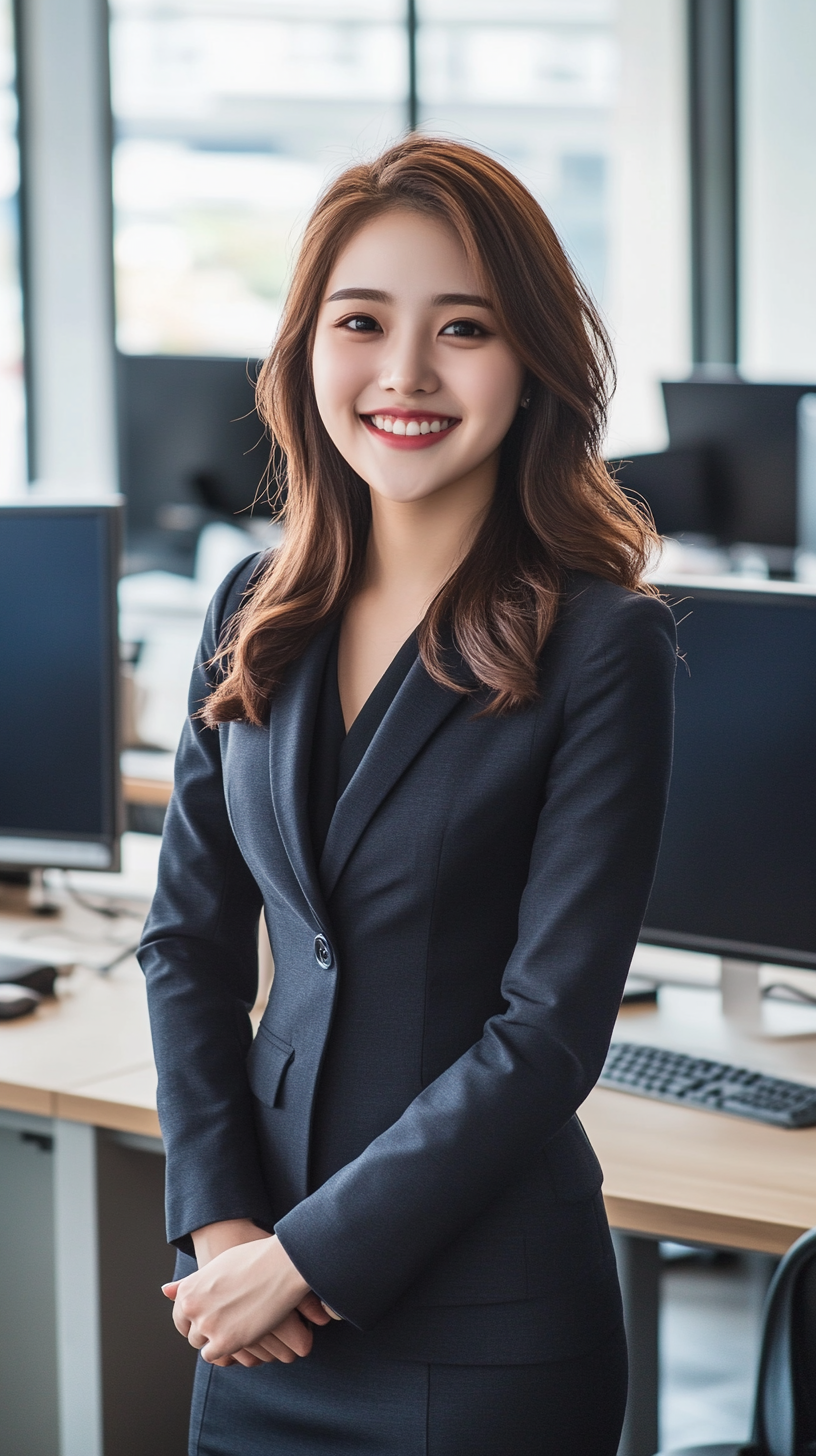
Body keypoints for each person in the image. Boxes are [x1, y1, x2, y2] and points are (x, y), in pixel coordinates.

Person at [140, 134, 676, 1456]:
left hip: (481, 1334)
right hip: (252, 1307)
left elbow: (548, 1030)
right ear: (304, 349)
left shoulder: (603, 642)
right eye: (362, 321)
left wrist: (308, 1258)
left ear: (534, 360)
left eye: (466, 329)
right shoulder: (252, 611)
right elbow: (186, 947)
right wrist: (225, 1231)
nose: (406, 375)